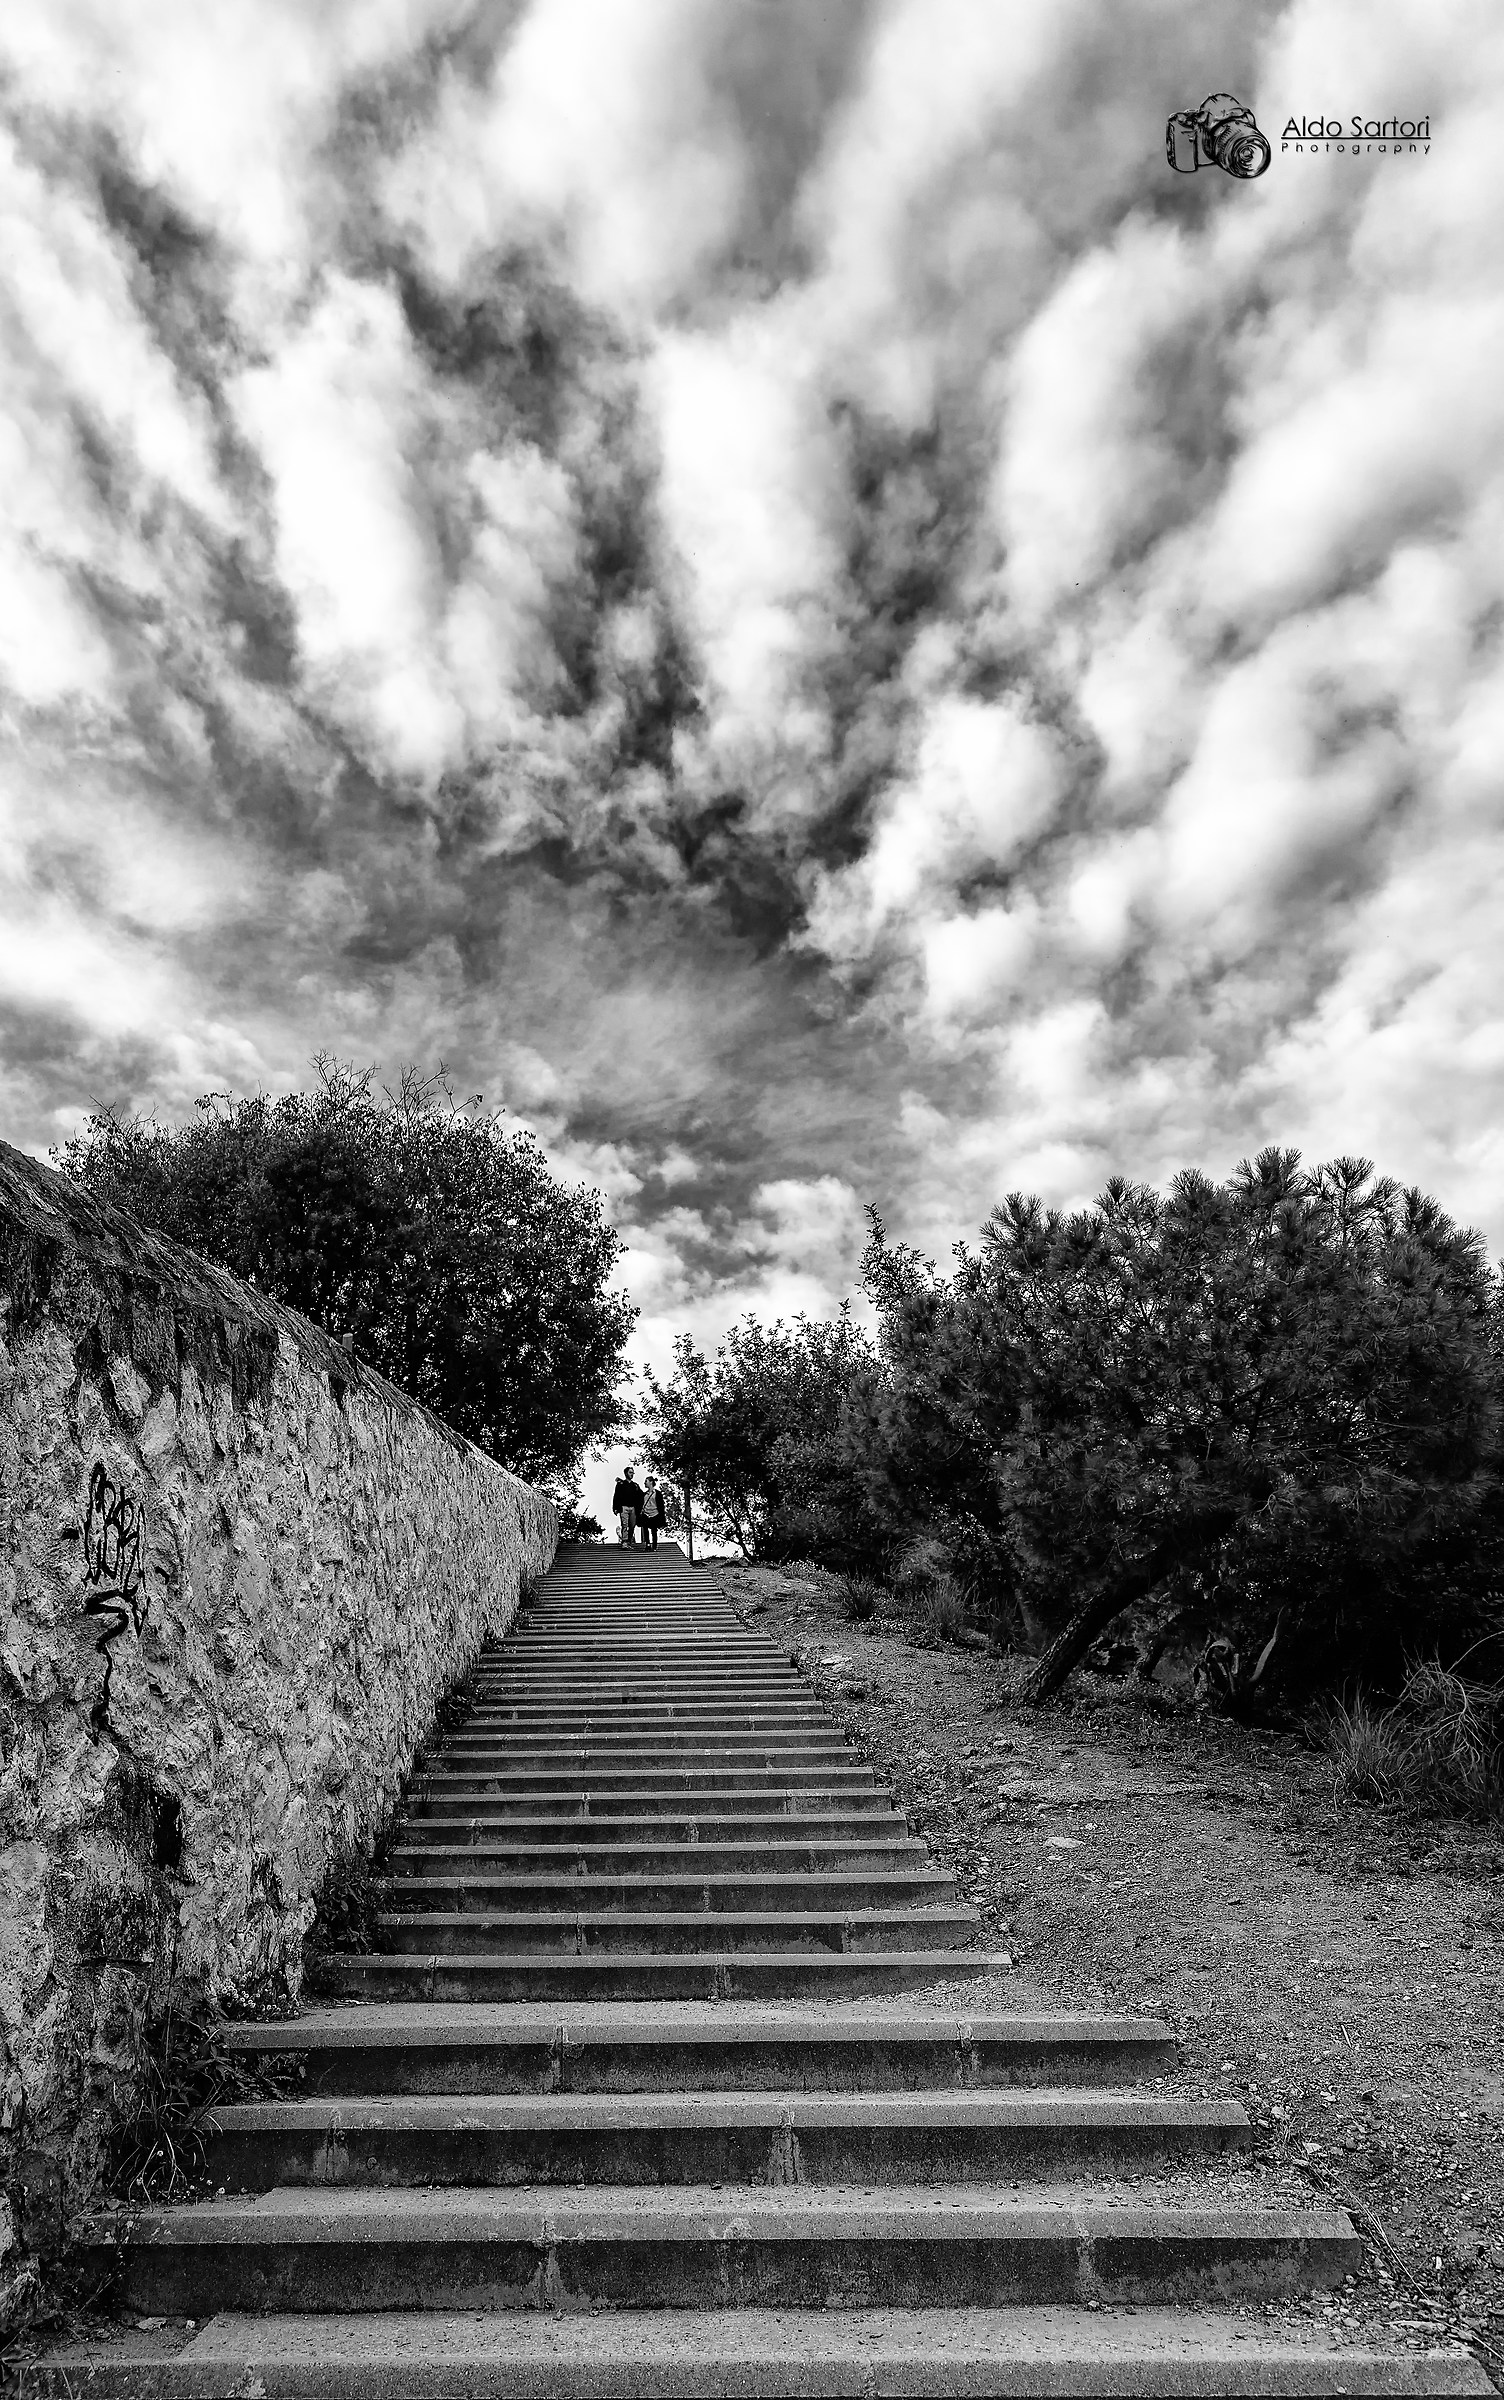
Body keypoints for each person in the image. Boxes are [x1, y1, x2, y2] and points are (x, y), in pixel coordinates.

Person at [611, 1464, 644, 1547]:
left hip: (633, 1508)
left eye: (633, 1473)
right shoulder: (620, 1484)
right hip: (624, 1507)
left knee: (632, 1525)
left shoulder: (635, 1485)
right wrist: (615, 1508)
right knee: (624, 1524)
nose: (632, 1474)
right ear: (626, 1473)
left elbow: (641, 1496)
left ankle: (629, 1540)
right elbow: (616, 1496)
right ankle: (624, 1541)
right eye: (630, 1472)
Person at [639, 1476, 666, 1550]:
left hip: (655, 1513)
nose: (644, 1483)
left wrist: (661, 1517)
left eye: (646, 1481)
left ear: (651, 1482)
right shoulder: (644, 1494)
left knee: (654, 1530)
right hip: (646, 1513)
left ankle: (654, 1545)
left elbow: (661, 1505)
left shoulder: (657, 1494)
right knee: (645, 1529)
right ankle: (647, 1544)